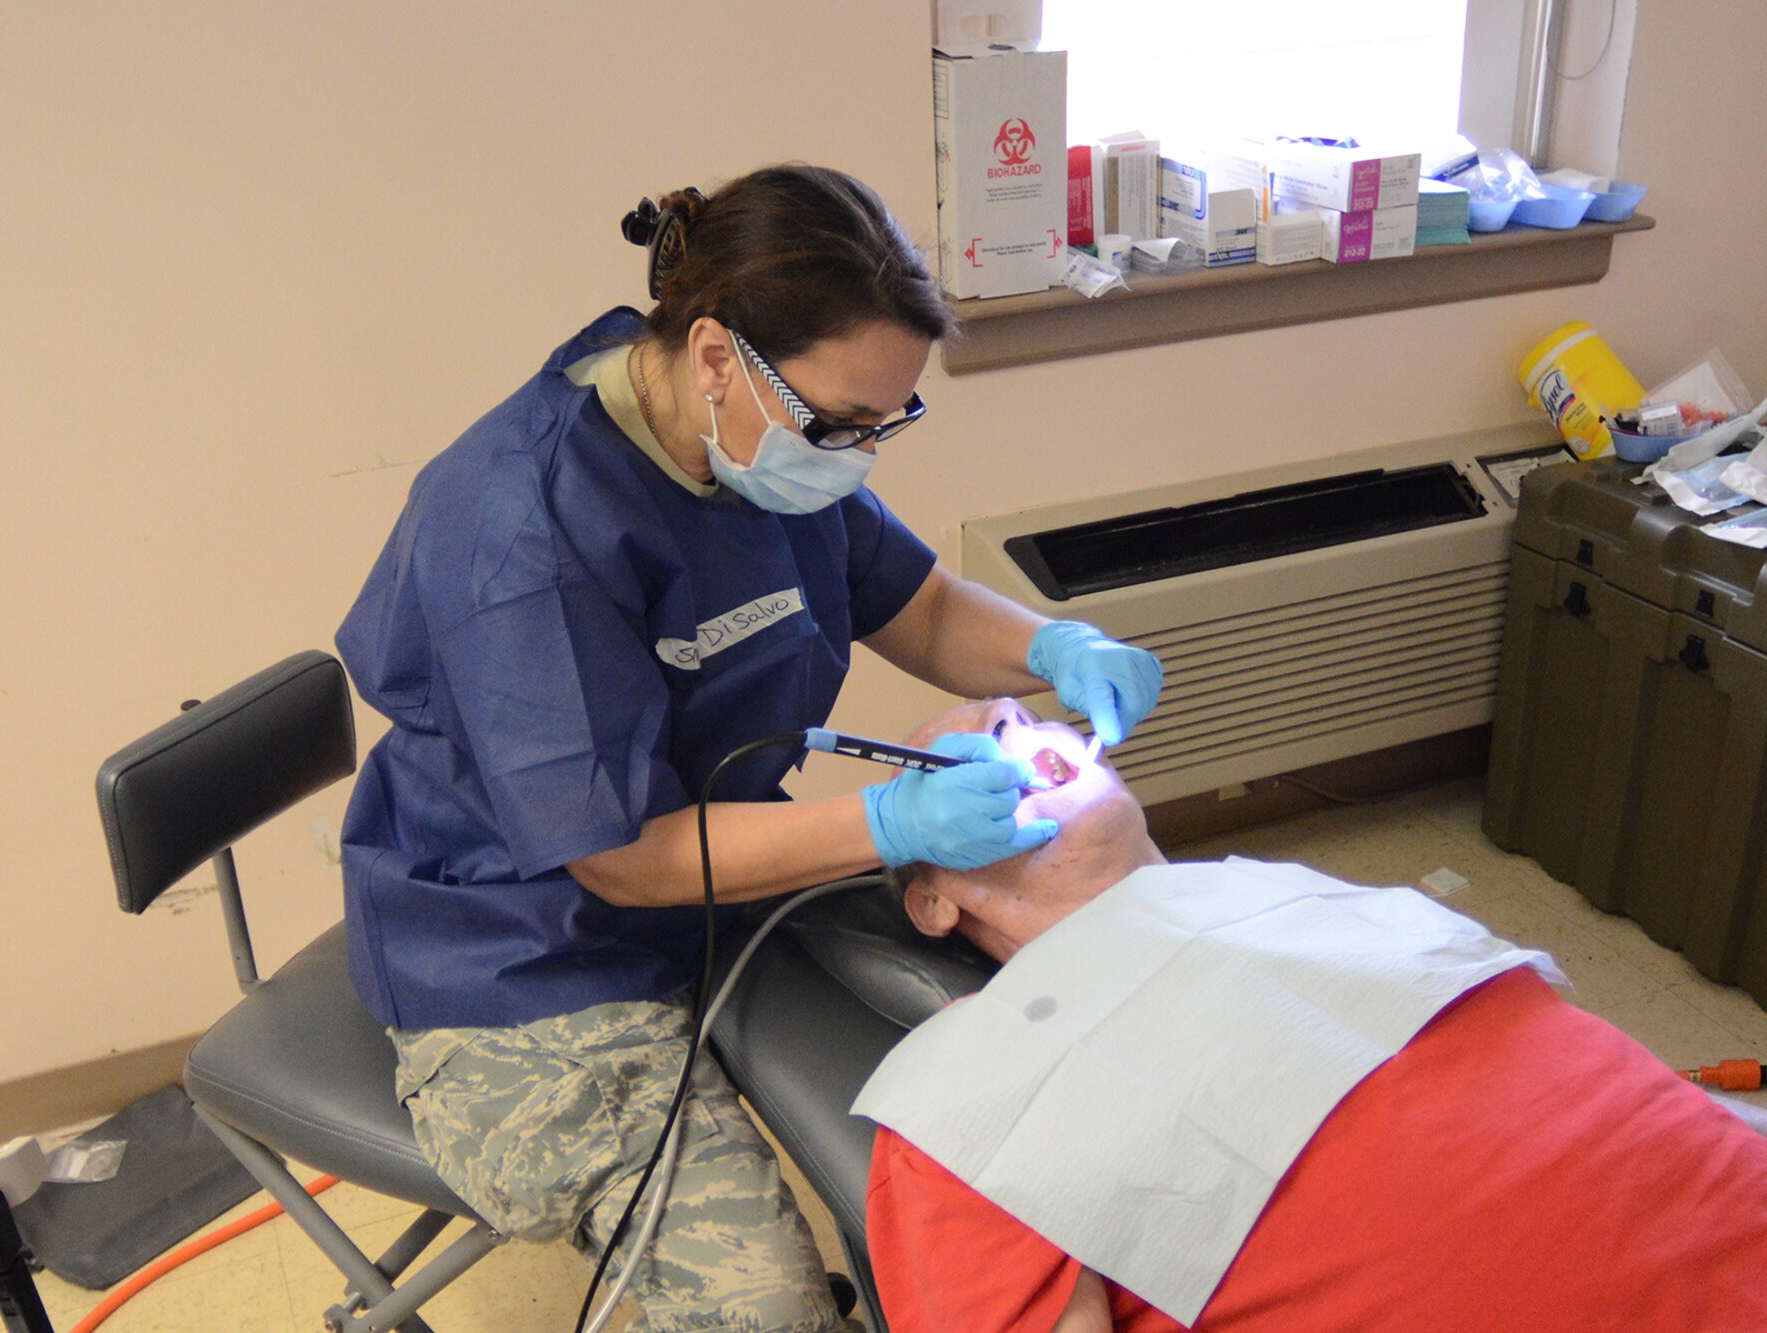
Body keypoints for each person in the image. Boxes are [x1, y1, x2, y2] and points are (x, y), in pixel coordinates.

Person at [333, 164, 1164, 1333]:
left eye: (888, 423)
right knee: (766, 1309)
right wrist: (891, 824)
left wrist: (1057, 646)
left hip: (716, 879)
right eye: (843, 425)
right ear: (717, 353)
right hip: (520, 951)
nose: (859, 455)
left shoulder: (768, 446)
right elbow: (620, 858)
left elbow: (916, 609)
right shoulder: (519, 529)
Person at [862, 697, 1767, 1333]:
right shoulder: (968, 1089)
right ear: (933, 902)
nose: (1015, 729)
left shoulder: (1280, 893)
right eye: (965, 757)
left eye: (1019, 714)